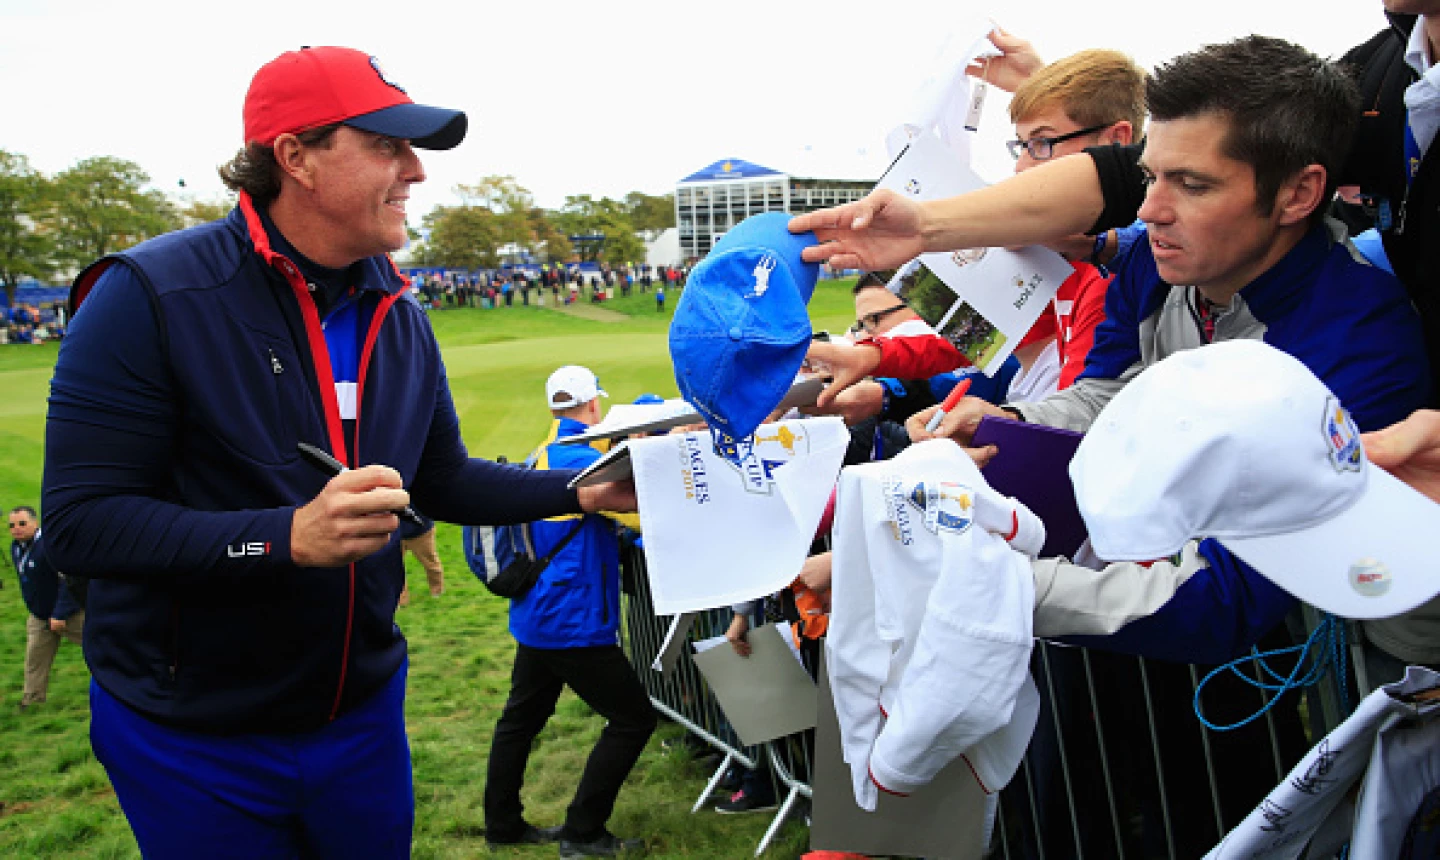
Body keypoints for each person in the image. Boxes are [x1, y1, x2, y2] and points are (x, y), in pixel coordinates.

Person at [42, 47, 634, 859]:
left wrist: (587, 490)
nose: (416, 170)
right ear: (295, 158)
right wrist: (284, 536)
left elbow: (442, 479)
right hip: (191, 734)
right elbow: (79, 524)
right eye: (387, 144)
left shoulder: (398, 305)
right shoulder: (146, 295)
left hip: (359, 714)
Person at [800, 36, 1430, 666]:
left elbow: (1220, 601)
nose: (1150, 210)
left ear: (1297, 195)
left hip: (1381, 656)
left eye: (1192, 184)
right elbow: (1110, 389)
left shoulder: (1358, 342)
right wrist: (1014, 424)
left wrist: (975, 582)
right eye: (1151, 176)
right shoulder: (1161, 270)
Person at [483, 366, 655, 858]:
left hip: (536, 613)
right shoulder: (590, 465)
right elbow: (642, 515)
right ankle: (582, 833)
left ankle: (502, 826)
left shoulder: (542, 452)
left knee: (519, 721)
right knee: (633, 721)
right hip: (574, 620)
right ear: (595, 406)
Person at [9, 506, 85, 711]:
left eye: (22, 524)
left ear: (35, 523)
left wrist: (60, 613)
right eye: (12, 525)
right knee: (34, 658)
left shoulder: (50, 545)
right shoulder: (15, 548)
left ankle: (131, 685)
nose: (16, 529)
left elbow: (68, 581)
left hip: (69, 614)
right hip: (40, 616)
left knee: (102, 645)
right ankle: (31, 700)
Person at [395, 513, 444, 607]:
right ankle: (400, 600)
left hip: (421, 533)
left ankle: (437, 591)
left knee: (430, 564)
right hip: (394, 534)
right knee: (394, 569)